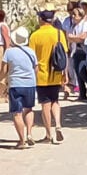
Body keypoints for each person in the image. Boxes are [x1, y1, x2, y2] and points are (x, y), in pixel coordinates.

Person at [28, 10, 66, 144]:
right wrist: (65, 75)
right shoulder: (58, 33)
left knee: (45, 104)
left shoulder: (35, 36)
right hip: (56, 73)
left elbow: (32, 58)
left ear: (42, 19)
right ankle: (58, 124)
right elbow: (64, 55)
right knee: (55, 101)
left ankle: (48, 134)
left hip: (41, 74)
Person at [2, 27, 39, 149]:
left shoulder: (9, 52)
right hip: (30, 84)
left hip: (15, 84)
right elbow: (36, 69)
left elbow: (4, 70)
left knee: (17, 113)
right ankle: (29, 133)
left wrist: (3, 81)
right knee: (28, 109)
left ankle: (21, 140)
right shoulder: (31, 51)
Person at [67, 1, 87, 101]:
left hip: (84, 50)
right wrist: (74, 38)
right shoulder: (74, 26)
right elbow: (70, 38)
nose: (73, 17)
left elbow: (82, 37)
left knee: (82, 70)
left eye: (74, 15)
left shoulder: (85, 25)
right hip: (76, 50)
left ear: (80, 16)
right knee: (77, 71)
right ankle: (82, 94)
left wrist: (73, 38)